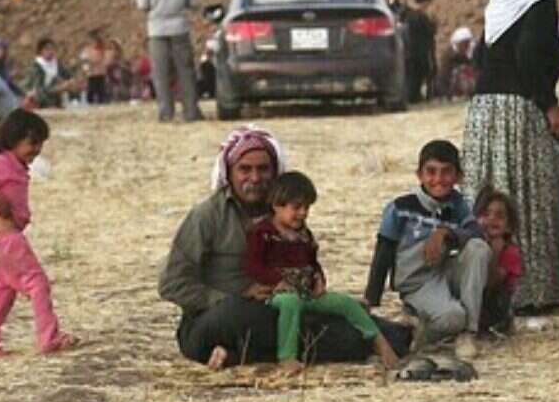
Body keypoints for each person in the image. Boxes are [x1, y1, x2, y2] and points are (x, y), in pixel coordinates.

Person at [159, 127, 410, 368]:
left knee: (325, 320)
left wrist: (315, 278)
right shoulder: (207, 217)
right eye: (245, 169)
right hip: (217, 319)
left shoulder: (283, 213)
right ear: (229, 172)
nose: (255, 178)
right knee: (244, 314)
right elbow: (172, 284)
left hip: (282, 307)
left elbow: (303, 258)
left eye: (263, 169)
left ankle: (394, 335)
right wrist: (233, 297)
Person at [463, 0, 559, 310]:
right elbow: (530, 56)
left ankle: (486, 285)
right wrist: (549, 104)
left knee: (497, 187)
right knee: (534, 194)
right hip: (518, 109)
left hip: (487, 109)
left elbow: (482, 56)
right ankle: (531, 289)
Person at [243, 171, 400, 373]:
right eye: (296, 207)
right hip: (277, 293)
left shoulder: (304, 235)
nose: (303, 213)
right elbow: (253, 265)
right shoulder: (262, 233)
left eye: (306, 208)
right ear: (277, 205)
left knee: (347, 303)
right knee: (290, 304)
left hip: (307, 291)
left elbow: (312, 262)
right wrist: (277, 281)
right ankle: (287, 356)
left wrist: (319, 279)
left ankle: (378, 341)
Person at [364, 139, 490, 356]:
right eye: (431, 172)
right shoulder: (400, 208)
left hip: (444, 271)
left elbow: (476, 233)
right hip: (417, 282)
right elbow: (383, 252)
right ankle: (417, 330)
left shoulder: (459, 205)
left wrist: (446, 233)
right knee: (453, 317)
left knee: (478, 248)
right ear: (419, 175)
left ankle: (468, 332)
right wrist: (371, 300)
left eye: (446, 172)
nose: (438, 179)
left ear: (458, 176)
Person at [0, 109, 77, 356]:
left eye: (40, 144)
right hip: (9, 240)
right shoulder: (3, 163)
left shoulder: (16, 166)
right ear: (13, 139)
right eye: (32, 143)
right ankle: (49, 338)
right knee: (38, 283)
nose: (36, 150)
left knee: (3, 291)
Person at [137, 0, 203, 122]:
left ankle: (166, 113)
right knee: (185, 71)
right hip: (179, 27)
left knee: (161, 73)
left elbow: (142, 4)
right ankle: (190, 111)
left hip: (157, 30)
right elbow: (194, 3)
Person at [473, 187, 523, 335]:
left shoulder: (510, 252)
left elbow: (492, 283)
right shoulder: (474, 246)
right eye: (486, 214)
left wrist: (494, 253)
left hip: (495, 305)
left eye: (499, 216)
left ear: (509, 226)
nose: (492, 219)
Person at [402, 0, 437, 103]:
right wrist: (433, 22)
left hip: (408, 54)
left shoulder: (407, 15)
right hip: (419, 54)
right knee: (416, 81)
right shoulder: (421, 17)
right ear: (426, 2)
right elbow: (430, 33)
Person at [22, 38, 78, 108]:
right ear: (41, 51)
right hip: (42, 101)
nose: (50, 51)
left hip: (57, 99)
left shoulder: (57, 64)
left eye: (52, 49)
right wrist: (59, 88)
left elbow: (69, 75)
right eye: (47, 49)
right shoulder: (36, 67)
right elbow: (38, 90)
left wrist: (70, 82)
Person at [435, 26, 476, 100]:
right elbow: (443, 77)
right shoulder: (448, 56)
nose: (467, 45)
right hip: (450, 88)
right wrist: (449, 95)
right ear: (458, 43)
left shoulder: (468, 55)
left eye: (468, 43)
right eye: (465, 43)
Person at [79, 31, 109, 105]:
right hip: (91, 75)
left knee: (101, 92)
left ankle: (102, 105)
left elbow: (104, 60)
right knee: (91, 92)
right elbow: (84, 61)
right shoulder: (86, 50)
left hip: (100, 74)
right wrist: (87, 69)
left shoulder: (102, 50)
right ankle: (91, 105)